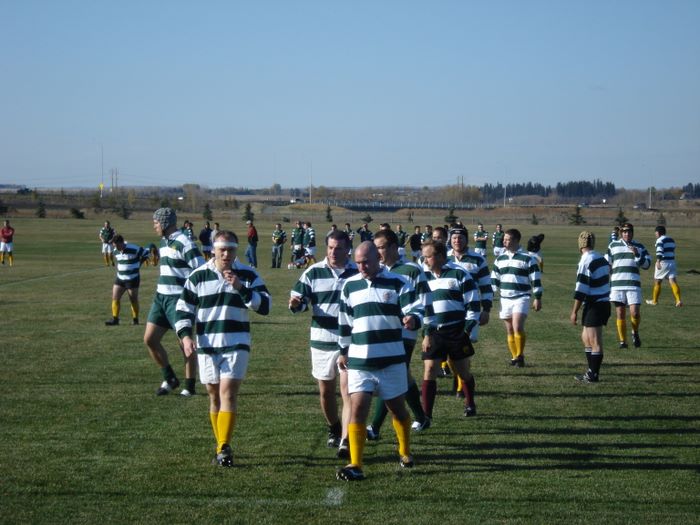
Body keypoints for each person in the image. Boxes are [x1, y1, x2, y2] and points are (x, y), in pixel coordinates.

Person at [175, 230, 271, 467]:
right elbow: (183, 310)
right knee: (213, 394)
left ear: (236, 251)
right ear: (213, 251)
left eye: (230, 250)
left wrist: (241, 287)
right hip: (207, 344)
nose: (226, 254)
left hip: (237, 342)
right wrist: (185, 337)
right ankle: (221, 446)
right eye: (222, 250)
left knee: (228, 393)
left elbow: (265, 306)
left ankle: (224, 447)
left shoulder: (247, 274)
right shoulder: (198, 276)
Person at [336, 241, 422, 481]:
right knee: (358, 409)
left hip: (391, 360)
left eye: (366, 262)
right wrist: (343, 350)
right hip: (360, 361)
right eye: (358, 262)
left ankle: (405, 451)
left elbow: (415, 308)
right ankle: (356, 464)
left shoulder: (398, 282)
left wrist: (413, 319)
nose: (361, 267)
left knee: (398, 410)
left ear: (378, 259)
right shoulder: (349, 286)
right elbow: (344, 321)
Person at [290, 231, 358, 458]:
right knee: (326, 391)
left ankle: (346, 440)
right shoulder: (313, 272)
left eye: (338, 248)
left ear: (348, 249)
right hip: (321, 341)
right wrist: (296, 304)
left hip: (351, 343)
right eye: (330, 247)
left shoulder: (357, 272)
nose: (333, 252)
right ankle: (334, 428)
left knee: (347, 392)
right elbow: (300, 301)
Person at [366, 230, 433, 439]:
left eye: (381, 247)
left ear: (395, 247)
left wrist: (428, 332)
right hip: (381, 332)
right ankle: (421, 417)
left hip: (405, 332)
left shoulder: (412, 270)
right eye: (375, 247)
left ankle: (375, 428)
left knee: (388, 374)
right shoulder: (374, 270)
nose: (377, 252)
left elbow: (426, 302)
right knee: (402, 374)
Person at [144, 207, 205, 397]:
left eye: (156, 223)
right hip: (160, 298)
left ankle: (190, 387)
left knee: (184, 344)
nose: (154, 226)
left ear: (164, 223)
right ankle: (169, 378)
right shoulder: (163, 241)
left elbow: (201, 269)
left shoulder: (185, 243)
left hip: (178, 300)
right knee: (150, 339)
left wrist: (194, 297)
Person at [421, 239, 481, 419]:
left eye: (428, 257)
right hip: (434, 332)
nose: (425, 261)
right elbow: (422, 306)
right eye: (423, 257)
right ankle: (426, 416)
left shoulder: (459, 273)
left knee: (463, 372)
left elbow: (473, 303)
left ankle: (470, 403)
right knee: (429, 369)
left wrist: (466, 330)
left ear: (440, 256)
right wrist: (426, 333)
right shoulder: (423, 277)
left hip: (456, 331)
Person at [491, 228, 543, 367]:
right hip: (504, 298)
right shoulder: (499, 259)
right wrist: (489, 296)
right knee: (509, 330)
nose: (504, 242)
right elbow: (494, 280)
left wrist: (538, 297)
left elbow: (535, 279)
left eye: (508, 239)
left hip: (521, 297)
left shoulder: (528, 258)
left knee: (517, 326)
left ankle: (520, 356)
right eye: (504, 239)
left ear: (516, 240)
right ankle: (514, 357)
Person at [570, 231, 610, 383]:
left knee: (595, 341)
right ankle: (590, 371)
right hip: (600, 302)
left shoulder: (585, 261)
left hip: (596, 304)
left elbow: (581, 290)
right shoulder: (601, 257)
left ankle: (593, 375)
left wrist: (574, 311)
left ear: (579, 244)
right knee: (586, 338)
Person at [606, 223, 651, 348]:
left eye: (629, 231)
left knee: (635, 313)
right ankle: (623, 342)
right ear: (621, 233)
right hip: (617, 285)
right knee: (620, 313)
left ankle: (635, 332)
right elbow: (607, 264)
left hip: (633, 284)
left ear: (632, 233)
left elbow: (647, 265)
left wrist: (637, 254)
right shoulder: (613, 245)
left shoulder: (640, 246)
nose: (627, 234)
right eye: (625, 232)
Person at [105, 234, 149, 326]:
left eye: (117, 245)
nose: (115, 247)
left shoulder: (133, 248)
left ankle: (135, 320)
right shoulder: (115, 251)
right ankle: (115, 319)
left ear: (121, 242)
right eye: (114, 245)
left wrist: (139, 263)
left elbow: (146, 253)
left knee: (133, 299)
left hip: (132, 279)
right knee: (115, 297)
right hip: (120, 278)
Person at [646, 226, 683, 307]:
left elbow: (659, 251)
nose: (655, 234)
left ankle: (654, 301)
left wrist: (658, 261)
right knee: (673, 281)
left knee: (657, 281)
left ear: (658, 232)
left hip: (663, 262)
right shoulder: (671, 240)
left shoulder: (659, 240)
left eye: (655, 233)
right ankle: (678, 300)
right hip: (672, 262)